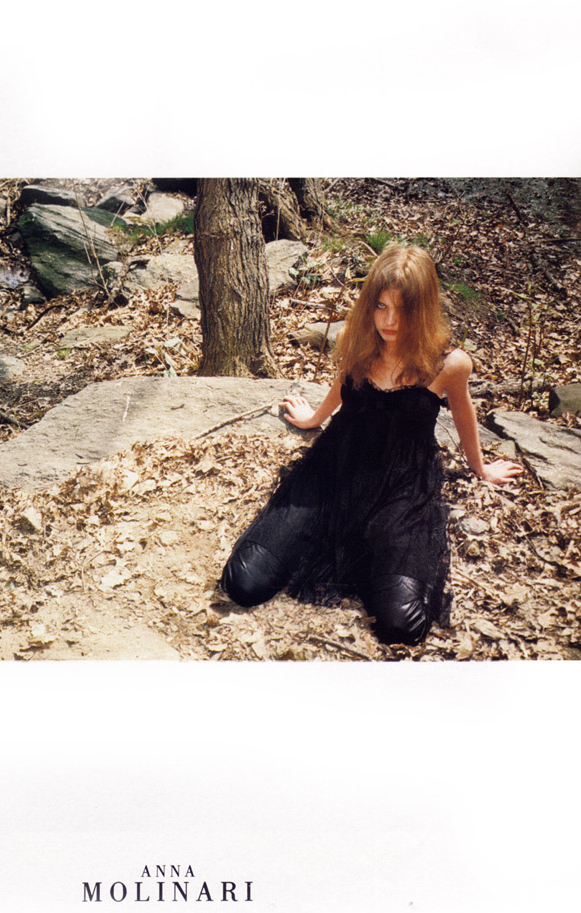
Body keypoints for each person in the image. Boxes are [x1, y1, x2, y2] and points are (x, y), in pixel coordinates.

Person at [220, 243, 523, 646]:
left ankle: (377, 563)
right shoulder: (357, 339)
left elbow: (464, 411)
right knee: (243, 582)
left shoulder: (449, 364)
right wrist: (314, 418)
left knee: (403, 625)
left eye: (403, 309)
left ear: (423, 309)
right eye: (381, 306)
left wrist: (480, 467)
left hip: (401, 487)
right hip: (335, 470)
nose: (389, 320)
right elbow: (343, 384)